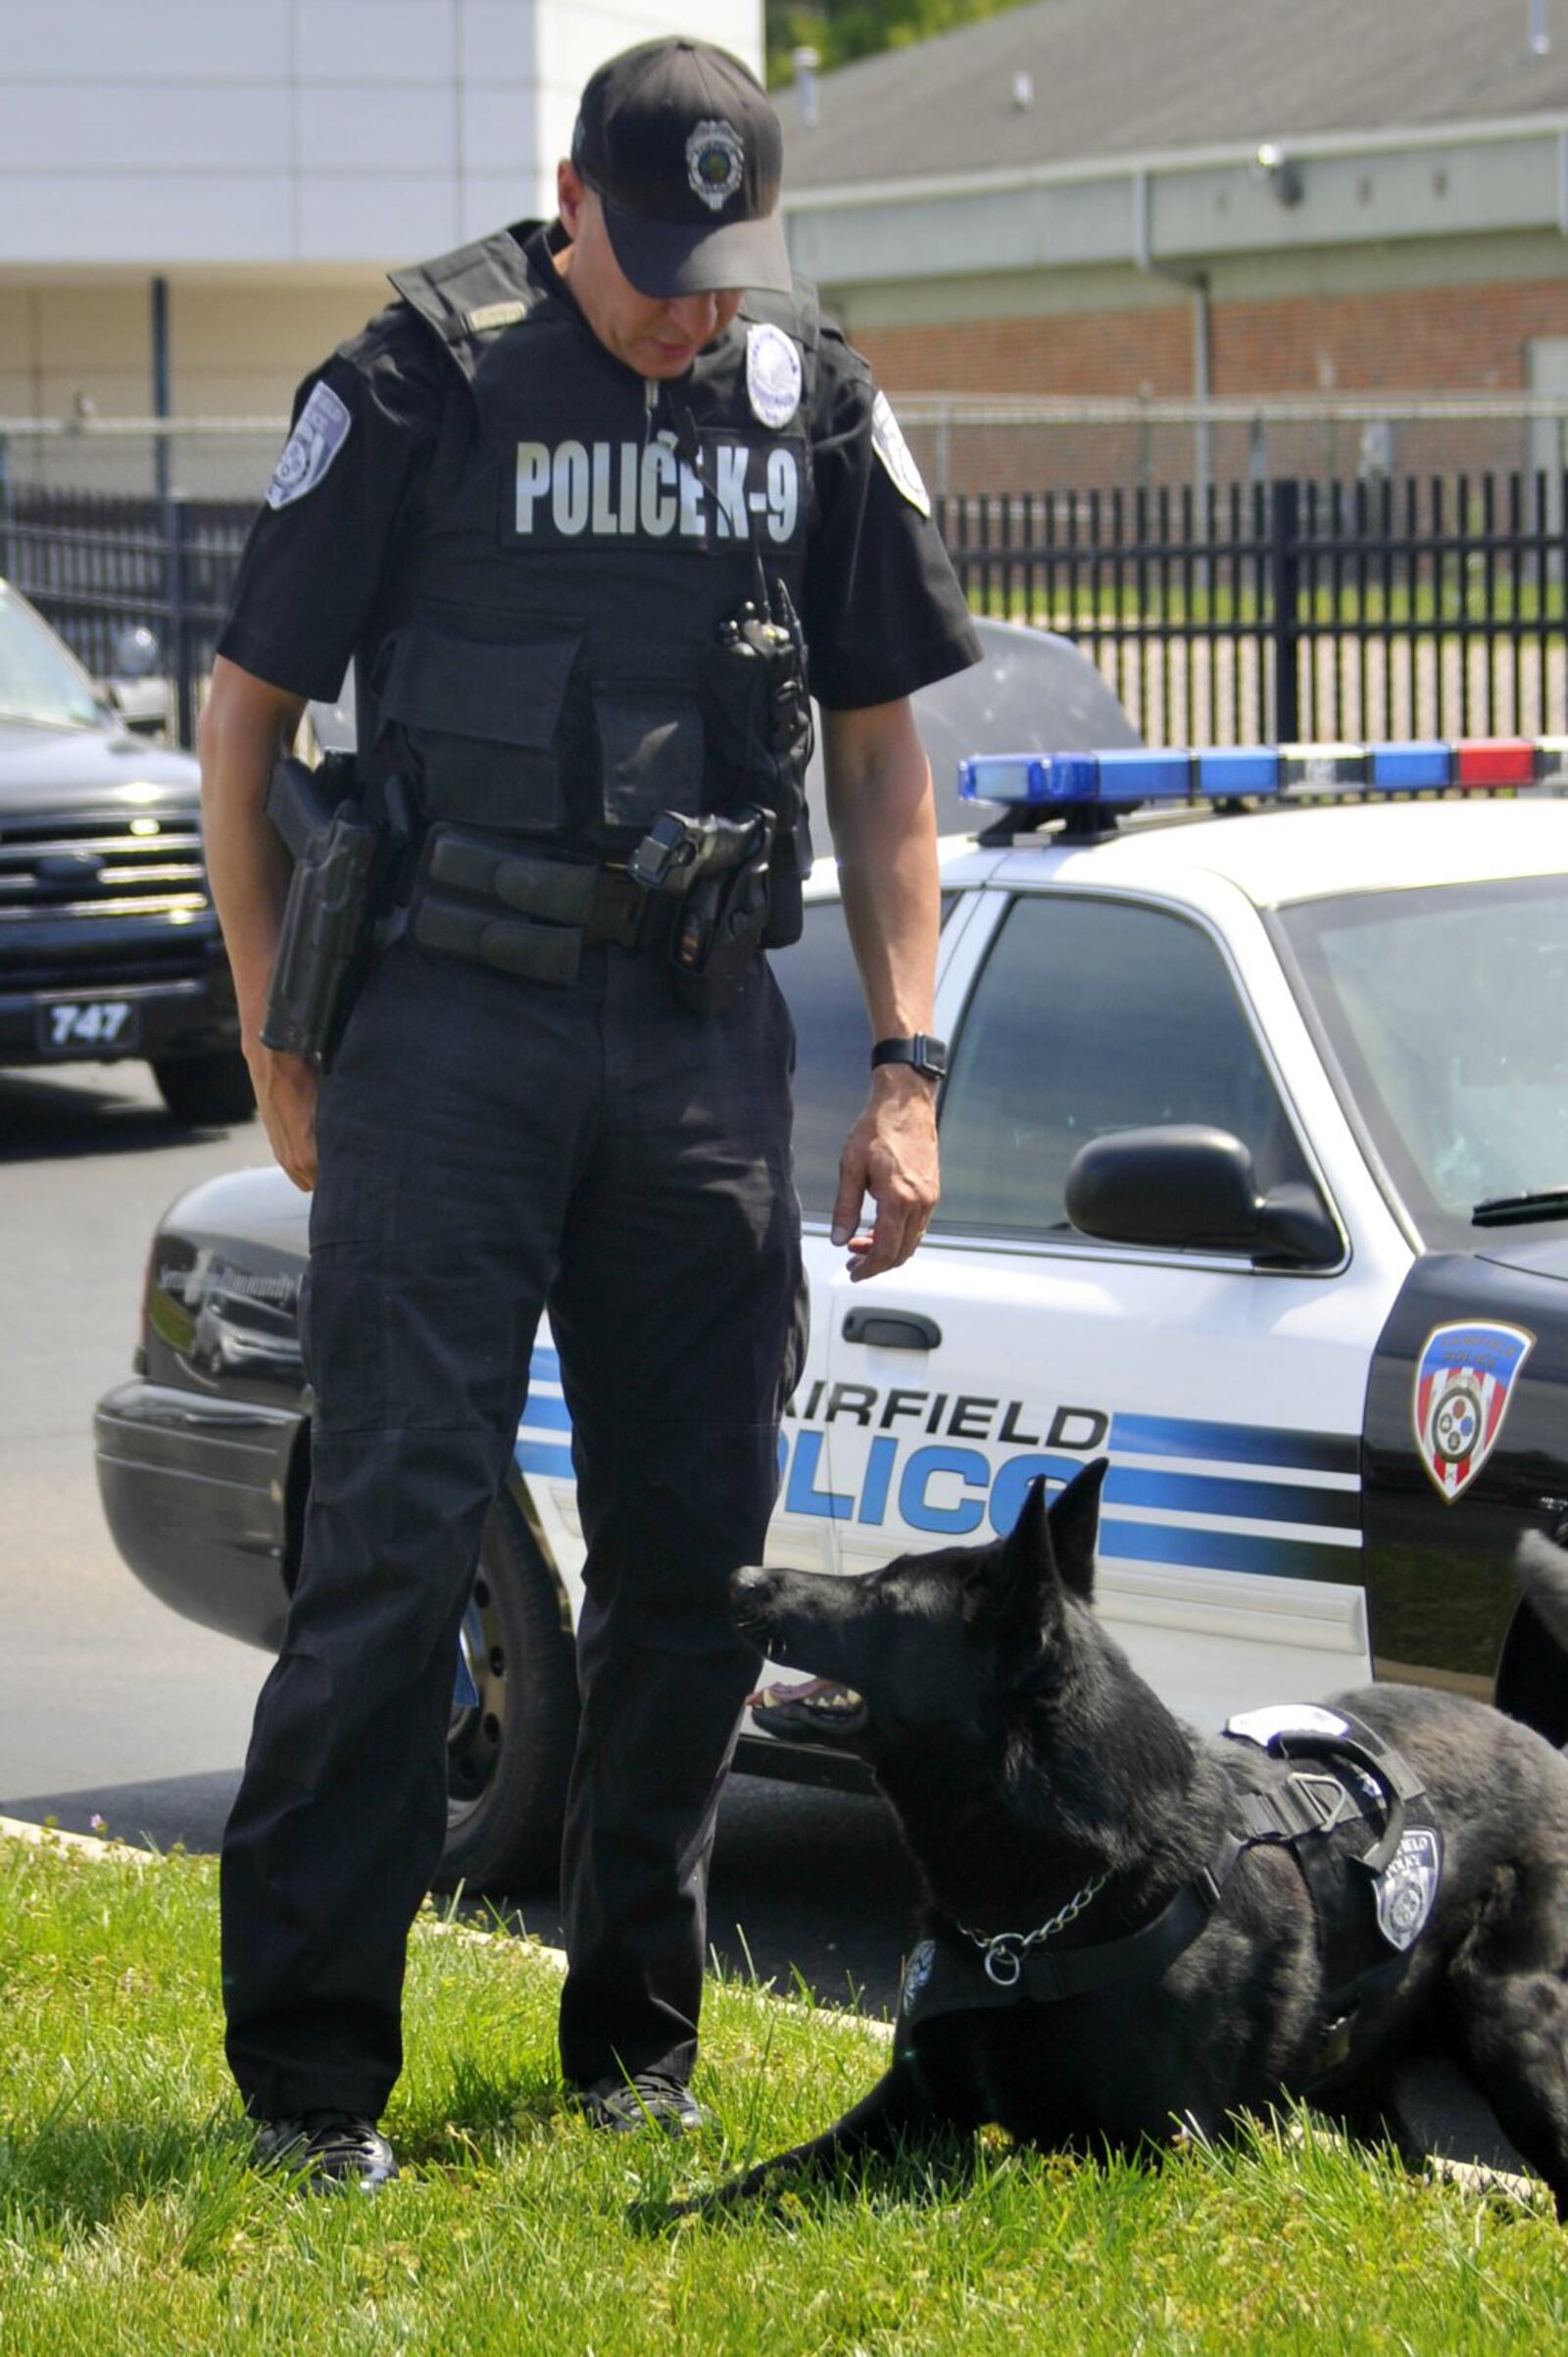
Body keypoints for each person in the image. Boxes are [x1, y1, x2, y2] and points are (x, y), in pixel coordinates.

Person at [199, 33, 980, 2190]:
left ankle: (634, 2038)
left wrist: (901, 1064)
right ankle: (309, 2083)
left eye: (723, 262)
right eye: (652, 261)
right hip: (446, 1032)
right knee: (389, 1548)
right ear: (570, 198)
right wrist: (283, 1041)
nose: (686, 303)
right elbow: (243, 725)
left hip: (702, 1040)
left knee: (692, 1577)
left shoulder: (808, 391)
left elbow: (884, 755)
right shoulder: (417, 372)